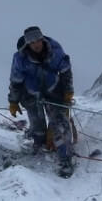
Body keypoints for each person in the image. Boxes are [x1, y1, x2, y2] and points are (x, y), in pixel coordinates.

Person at [7, 25, 75, 177]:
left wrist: (68, 91)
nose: (36, 44)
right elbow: (16, 81)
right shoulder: (20, 58)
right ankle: (40, 142)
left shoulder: (55, 51)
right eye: (32, 42)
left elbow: (66, 72)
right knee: (37, 124)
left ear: (42, 39)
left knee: (60, 124)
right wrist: (13, 101)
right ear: (27, 44)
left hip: (54, 91)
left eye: (38, 40)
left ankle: (65, 158)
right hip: (31, 94)